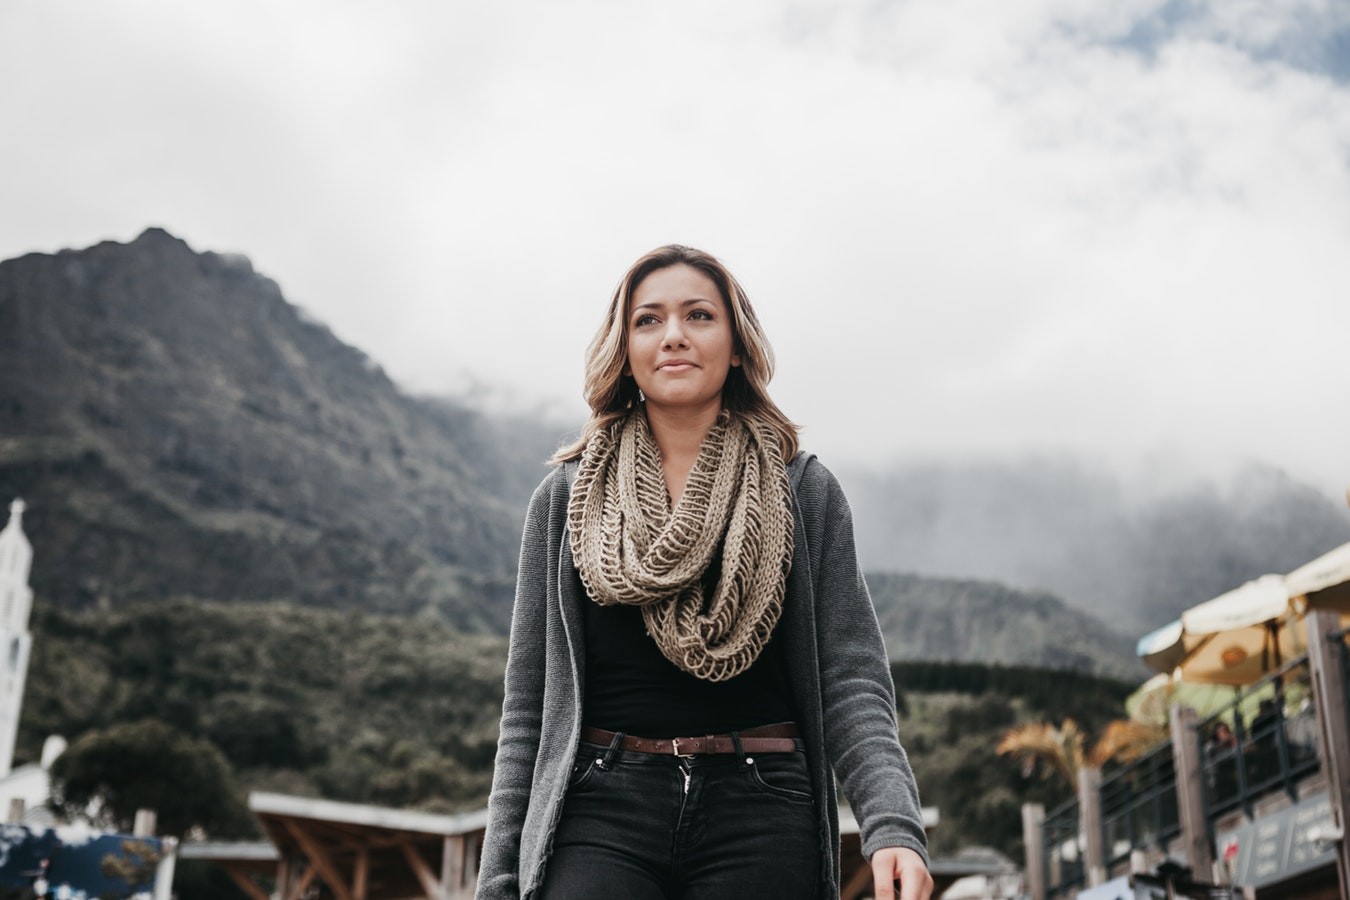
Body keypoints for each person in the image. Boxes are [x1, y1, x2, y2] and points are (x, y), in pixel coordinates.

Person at [476, 245, 932, 900]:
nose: (674, 336)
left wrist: (892, 824)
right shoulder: (567, 499)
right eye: (648, 320)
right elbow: (526, 709)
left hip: (763, 805)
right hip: (597, 808)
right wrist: (498, 881)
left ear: (737, 346)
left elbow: (851, 679)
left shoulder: (803, 490)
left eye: (699, 315)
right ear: (624, 350)